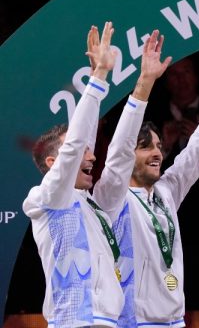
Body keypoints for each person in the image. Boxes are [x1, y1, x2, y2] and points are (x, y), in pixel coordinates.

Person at [112, 33, 199, 328]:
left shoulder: (167, 192)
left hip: (174, 321)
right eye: (146, 146)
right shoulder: (113, 198)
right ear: (127, 156)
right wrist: (145, 81)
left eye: (159, 146)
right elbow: (119, 148)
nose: (157, 152)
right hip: (132, 322)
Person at [23, 22, 137, 327]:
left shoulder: (90, 205)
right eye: (80, 153)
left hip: (107, 321)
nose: (92, 156)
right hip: (75, 322)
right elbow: (74, 145)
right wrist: (98, 77)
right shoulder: (50, 197)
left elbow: (80, 142)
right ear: (51, 163)